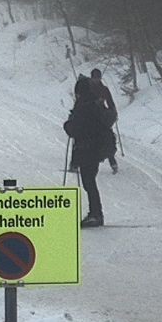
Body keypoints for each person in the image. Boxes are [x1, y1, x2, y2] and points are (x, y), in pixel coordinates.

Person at [64, 76, 115, 227]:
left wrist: (68, 125)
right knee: (89, 180)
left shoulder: (84, 106)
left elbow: (78, 128)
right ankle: (95, 213)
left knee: (89, 181)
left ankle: (96, 214)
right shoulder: (95, 102)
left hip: (88, 148)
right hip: (97, 148)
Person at [91, 68, 119, 173]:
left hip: (101, 116)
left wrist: (113, 112)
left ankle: (113, 162)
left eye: (98, 78)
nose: (96, 80)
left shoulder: (104, 89)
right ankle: (75, 163)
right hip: (89, 115)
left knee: (107, 138)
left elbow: (110, 102)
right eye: (94, 78)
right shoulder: (86, 88)